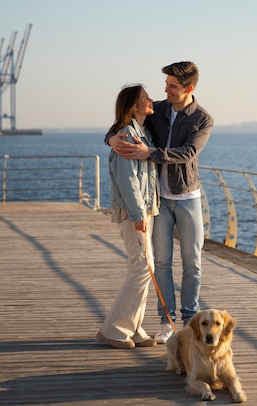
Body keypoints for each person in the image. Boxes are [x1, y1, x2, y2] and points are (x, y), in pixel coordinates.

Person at [106, 61, 213, 344]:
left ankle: (192, 321)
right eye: (165, 85)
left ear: (188, 88)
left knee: (193, 263)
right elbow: (124, 126)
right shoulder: (160, 110)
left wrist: (149, 153)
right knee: (160, 263)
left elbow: (188, 152)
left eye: (172, 87)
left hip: (188, 198)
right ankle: (166, 322)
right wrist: (111, 139)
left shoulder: (202, 118)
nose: (165, 91)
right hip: (159, 202)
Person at [96, 84, 159, 349]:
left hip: (146, 208)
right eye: (145, 97)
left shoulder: (142, 131)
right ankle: (114, 329)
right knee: (142, 267)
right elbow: (127, 179)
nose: (151, 99)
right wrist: (137, 215)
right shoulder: (126, 136)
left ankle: (133, 327)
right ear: (133, 106)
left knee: (145, 267)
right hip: (136, 211)